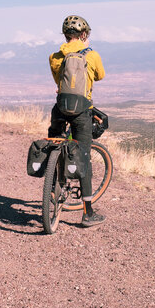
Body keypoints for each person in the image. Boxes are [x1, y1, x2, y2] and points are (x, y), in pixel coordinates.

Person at [48, 15, 106, 227]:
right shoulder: (92, 55)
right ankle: (88, 213)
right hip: (82, 110)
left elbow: (58, 80)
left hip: (60, 109)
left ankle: (52, 184)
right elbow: (100, 75)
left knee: (53, 141)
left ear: (65, 35)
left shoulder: (54, 57)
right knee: (84, 158)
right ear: (84, 35)